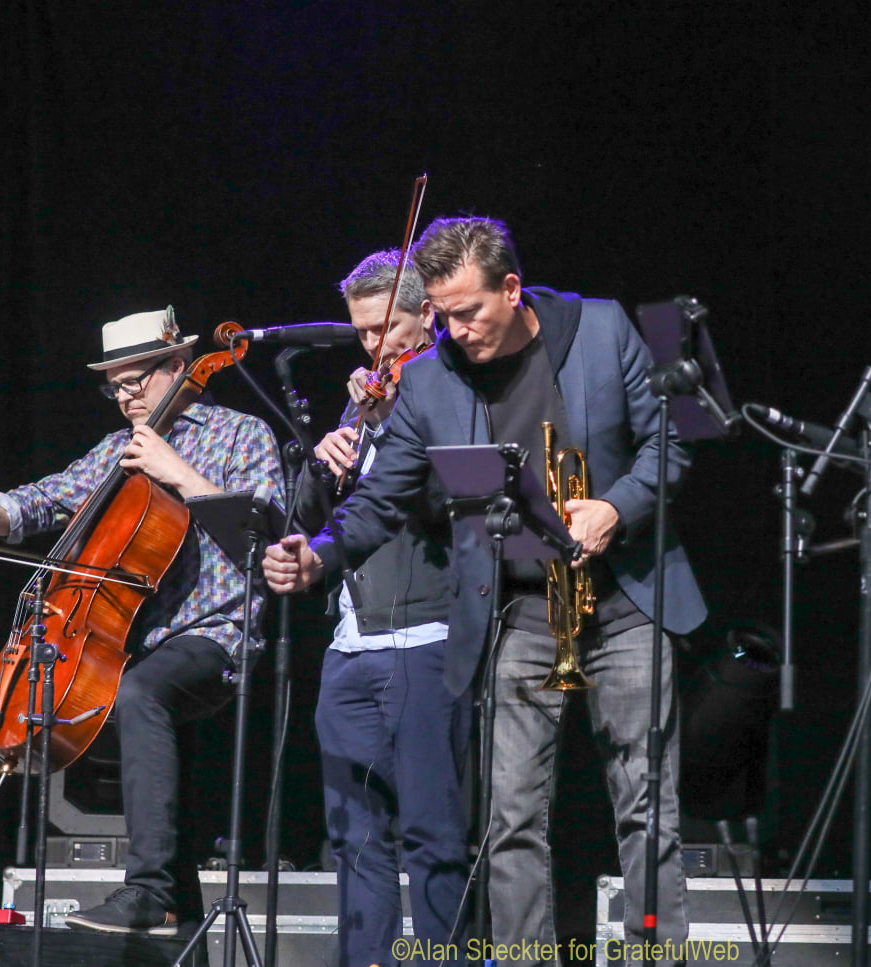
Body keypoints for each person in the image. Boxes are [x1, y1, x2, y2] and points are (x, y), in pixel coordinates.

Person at [264, 217, 707, 966]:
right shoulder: (432, 377)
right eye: (441, 312)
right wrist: (322, 556)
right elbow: (382, 498)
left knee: (644, 800)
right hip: (521, 605)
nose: (454, 329)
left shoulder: (600, 329)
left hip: (625, 595)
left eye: (468, 310)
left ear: (511, 287)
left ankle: (655, 956)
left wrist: (617, 505)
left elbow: (674, 441)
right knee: (509, 816)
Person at [0, 307, 282, 937]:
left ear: (178, 366)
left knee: (138, 693)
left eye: (136, 381)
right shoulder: (117, 450)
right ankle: (177, 908)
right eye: (114, 386)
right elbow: (50, 496)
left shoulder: (241, 434)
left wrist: (176, 471)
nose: (124, 398)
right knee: (128, 692)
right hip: (138, 640)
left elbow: (265, 539)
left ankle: (147, 888)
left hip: (215, 632)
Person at [307, 250, 468, 967]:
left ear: (427, 315)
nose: (373, 345)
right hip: (350, 644)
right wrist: (324, 461)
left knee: (434, 832)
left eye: (386, 327)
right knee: (354, 837)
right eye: (362, 332)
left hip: (427, 634)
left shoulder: (451, 388)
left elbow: (450, 506)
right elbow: (318, 520)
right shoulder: (363, 400)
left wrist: (393, 421)